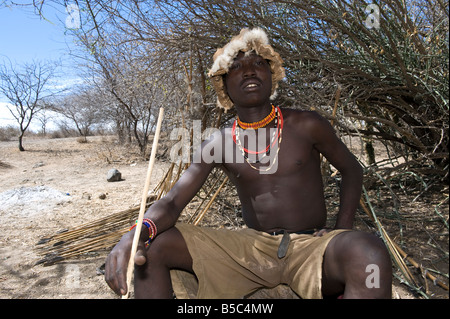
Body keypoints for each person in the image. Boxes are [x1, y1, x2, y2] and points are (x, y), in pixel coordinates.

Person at [105, 28, 392, 299]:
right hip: (250, 249)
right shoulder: (218, 142)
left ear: (272, 75)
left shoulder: (307, 124)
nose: (249, 70)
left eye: (258, 63)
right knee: (152, 249)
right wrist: (137, 232)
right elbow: (172, 202)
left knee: (370, 255)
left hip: (311, 246)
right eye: (237, 67)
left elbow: (352, 169)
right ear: (224, 86)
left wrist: (342, 227)